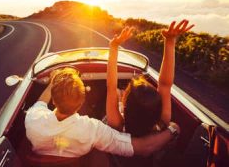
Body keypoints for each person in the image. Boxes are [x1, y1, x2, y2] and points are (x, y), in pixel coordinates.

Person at [25, 67, 180, 159]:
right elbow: (142, 147)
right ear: (81, 103)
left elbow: (40, 103)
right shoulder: (93, 130)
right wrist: (172, 129)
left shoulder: (33, 119)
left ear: (53, 99)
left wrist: (53, 83)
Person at [106, 20, 194, 165]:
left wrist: (114, 47)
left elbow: (111, 87)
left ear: (126, 104)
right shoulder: (163, 123)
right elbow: (165, 85)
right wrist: (170, 42)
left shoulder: (117, 126)